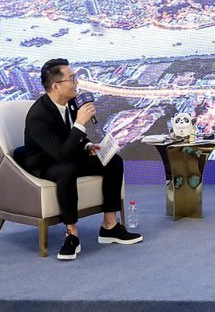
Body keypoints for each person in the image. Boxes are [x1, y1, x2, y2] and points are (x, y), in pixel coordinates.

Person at [22, 58, 143, 261]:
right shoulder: (38, 115)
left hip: (68, 154)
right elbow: (61, 155)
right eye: (72, 78)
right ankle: (72, 234)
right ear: (56, 86)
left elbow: (70, 136)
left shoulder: (70, 102)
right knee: (67, 170)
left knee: (113, 161)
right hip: (45, 162)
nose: (76, 82)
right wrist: (80, 123)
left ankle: (110, 226)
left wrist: (87, 145)